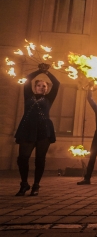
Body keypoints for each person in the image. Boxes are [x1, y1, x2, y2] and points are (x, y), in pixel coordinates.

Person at [14, 63, 60, 196]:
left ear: (46, 89)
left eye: (44, 86)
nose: (41, 87)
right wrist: (39, 71)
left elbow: (57, 83)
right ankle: (24, 184)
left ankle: (36, 185)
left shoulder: (49, 99)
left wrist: (47, 72)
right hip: (27, 129)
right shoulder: (28, 95)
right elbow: (28, 78)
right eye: (39, 85)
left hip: (43, 131)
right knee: (22, 158)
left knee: (40, 159)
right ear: (35, 87)